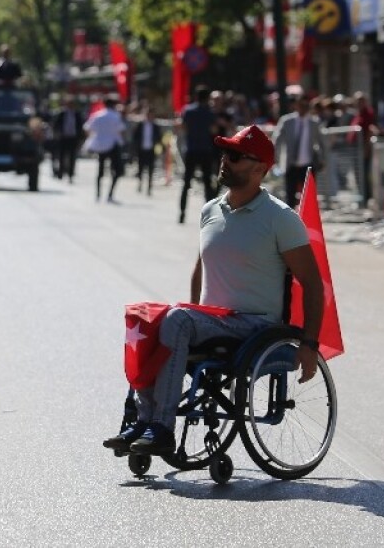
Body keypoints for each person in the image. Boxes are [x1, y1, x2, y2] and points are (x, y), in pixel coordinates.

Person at [103, 124, 323, 456]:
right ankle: (138, 420)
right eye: (224, 153)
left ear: (260, 168)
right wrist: (187, 318)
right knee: (146, 319)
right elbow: (199, 268)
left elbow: (313, 283)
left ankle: (161, 427)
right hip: (212, 321)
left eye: (235, 156)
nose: (225, 161)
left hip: (255, 326)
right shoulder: (210, 210)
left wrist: (309, 343)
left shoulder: (280, 218)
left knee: (175, 319)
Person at [272, 94, 325, 206]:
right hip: (291, 164)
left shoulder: (314, 123)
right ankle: (291, 221)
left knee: (308, 197)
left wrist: (322, 159)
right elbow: (277, 140)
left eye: (306, 105)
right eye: (300, 105)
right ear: (296, 105)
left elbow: (322, 143)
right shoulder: (286, 121)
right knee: (290, 195)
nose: (303, 107)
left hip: (308, 164)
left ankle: (306, 222)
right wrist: (274, 158)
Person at [176, 86, 219, 223]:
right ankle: (210, 214)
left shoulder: (188, 110)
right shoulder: (209, 112)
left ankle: (182, 212)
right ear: (207, 98)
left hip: (191, 149)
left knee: (186, 182)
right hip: (205, 150)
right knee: (207, 184)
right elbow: (214, 130)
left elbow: (183, 127)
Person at [84, 97, 126, 203]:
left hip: (100, 145)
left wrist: (94, 138)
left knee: (100, 171)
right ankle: (110, 194)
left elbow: (87, 128)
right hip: (112, 145)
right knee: (116, 171)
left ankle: (98, 194)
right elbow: (121, 130)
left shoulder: (97, 115)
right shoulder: (115, 116)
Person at [129, 101, 161, 196]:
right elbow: (135, 137)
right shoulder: (140, 125)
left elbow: (159, 138)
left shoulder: (155, 126)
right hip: (141, 150)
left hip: (151, 150)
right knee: (141, 168)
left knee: (151, 169)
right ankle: (140, 184)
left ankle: (149, 188)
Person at [51, 96, 85, 182]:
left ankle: (70, 174)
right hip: (63, 138)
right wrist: (57, 135)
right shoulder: (61, 113)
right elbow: (56, 125)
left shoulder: (77, 114)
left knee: (72, 157)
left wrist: (81, 139)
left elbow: (80, 127)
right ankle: (61, 173)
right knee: (61, 156)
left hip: (73, 138)